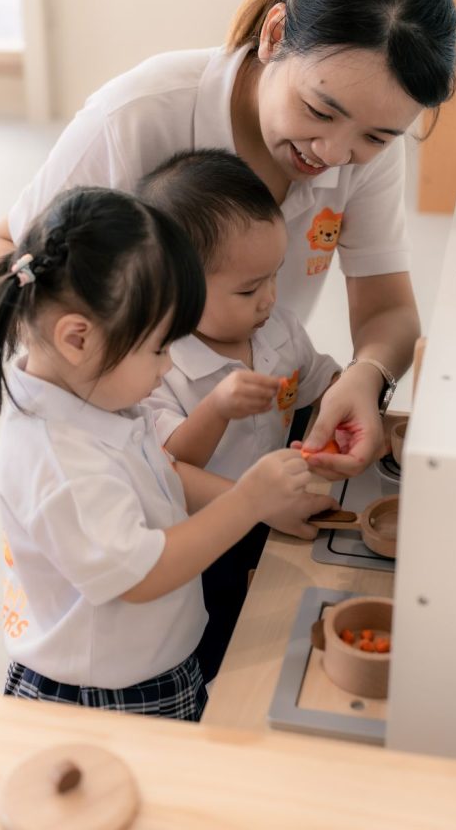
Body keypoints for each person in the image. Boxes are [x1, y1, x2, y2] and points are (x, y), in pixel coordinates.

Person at [0, 0, 456, 486]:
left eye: (374, 137)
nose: (332, 155)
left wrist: (367, 376)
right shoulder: (136, 116)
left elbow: (388, 309)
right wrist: (109, 416)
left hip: (248, 438)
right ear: (275, 36)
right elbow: (9, 255)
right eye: (318, 110)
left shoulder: (365, 149)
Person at [0, 185, 315, 719]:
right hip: (107, 692)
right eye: (157, 348)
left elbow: (162, 472)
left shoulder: (89, 395)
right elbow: (141, 575)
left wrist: (265, 499)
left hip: (147, 658)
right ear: (77, 339)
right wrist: (247, 502)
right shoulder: (62, 463)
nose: (168, 367)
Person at [139, 149, 343, 680]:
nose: (269, 299)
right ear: (173, 289)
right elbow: (168, 469)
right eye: (249, 289)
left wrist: (349, 401)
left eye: (274, 276)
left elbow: (320, 386)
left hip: (272, 508)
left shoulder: (278, 329)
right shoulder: (159, 365)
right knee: (217, 639)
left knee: (280, 618)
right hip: (204, 533)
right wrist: (217, 407)